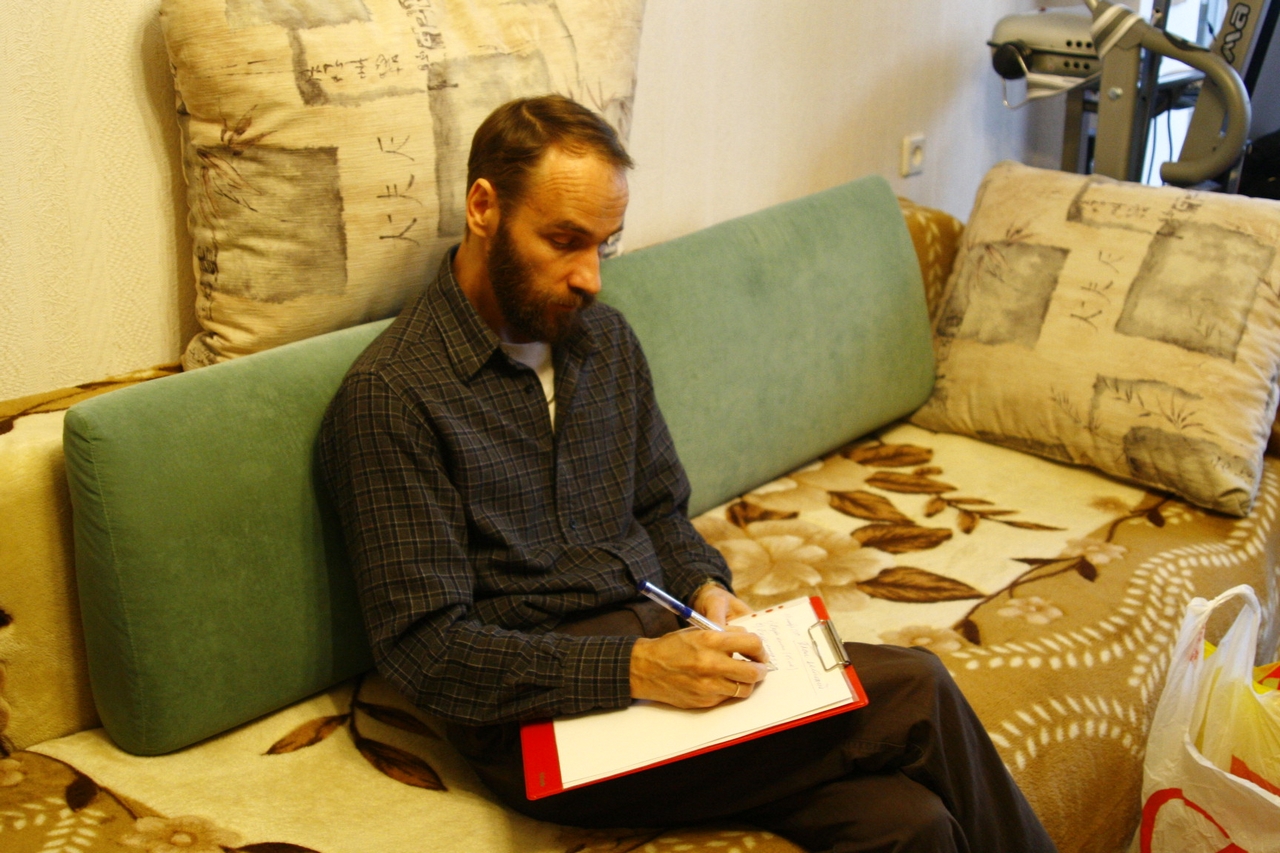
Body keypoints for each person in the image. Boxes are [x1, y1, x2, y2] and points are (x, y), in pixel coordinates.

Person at [317, 94, 1057, 853]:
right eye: (564, 241)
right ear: (483, 208)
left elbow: (660, 510)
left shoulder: (602, 341)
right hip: (539, 724)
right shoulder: (393, 397)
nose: (589, 277)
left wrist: (707, 590)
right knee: (918, 689)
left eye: (603, 246)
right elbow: (428, 650)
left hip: (668, 648)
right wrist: (638, 669)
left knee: (908, 826)